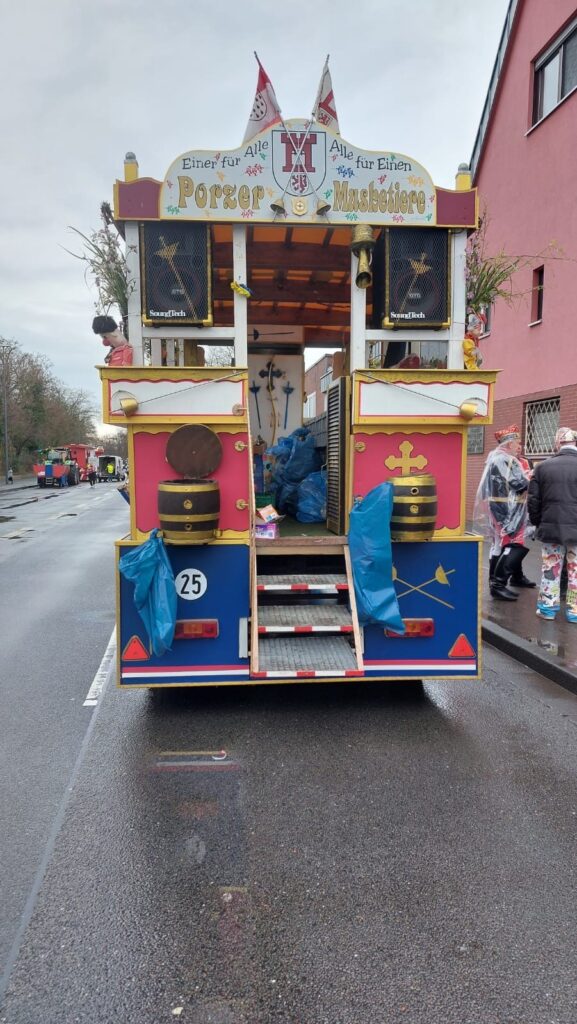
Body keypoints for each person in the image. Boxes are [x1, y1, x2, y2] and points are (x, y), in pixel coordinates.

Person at [474, 424, 534, 601]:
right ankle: (497, 585)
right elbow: (520, 484)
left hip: (498, 507)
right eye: (517, 443)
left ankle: (499, 581)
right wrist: (532, 474)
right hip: (507, 509)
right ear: (508, 445)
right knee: (514, 543)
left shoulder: (494, 458)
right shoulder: (505, 460)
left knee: (501, 543)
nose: (519, 446)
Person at [527, 426, 577, 621]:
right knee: (575, 571)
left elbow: (533, 501)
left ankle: (548, 608)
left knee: (551, 569)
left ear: (558, 443)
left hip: (551, 528)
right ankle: (574, 612)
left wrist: (538, 523)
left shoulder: (542, 467)